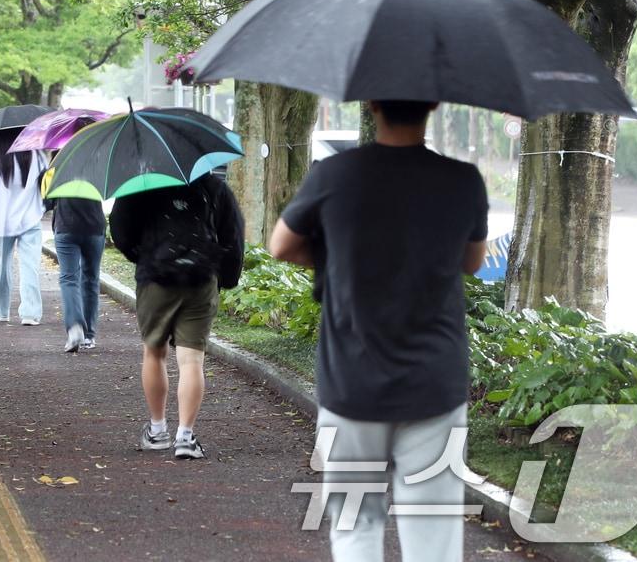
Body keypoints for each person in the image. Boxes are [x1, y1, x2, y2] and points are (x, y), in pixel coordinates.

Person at [268, 100, 487, 562]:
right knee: (433, 533)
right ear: (433, 104)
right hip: (435, 382)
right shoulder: (463, 180)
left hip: (352, 379)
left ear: (370, 104)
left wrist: (336, 260)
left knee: (355, 526)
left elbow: (280, 245)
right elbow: (471, 262)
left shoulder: (334, 174)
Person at [110, 170, 243, 460]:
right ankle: (185, 436)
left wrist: (142, 255)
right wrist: (227, 277)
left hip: (156, 276)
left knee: (154, 352)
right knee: (192, 359)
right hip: (200, 276)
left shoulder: (139, 184)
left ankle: (157, 430)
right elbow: (232, 235)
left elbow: (119, 230)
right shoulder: (214, 187)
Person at [0, 134, 46, 325]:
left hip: (3, 220)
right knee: (30, 266)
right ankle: (30, 313)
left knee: (4, 264)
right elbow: (46, 183)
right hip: (30, 218)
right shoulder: (37, 155)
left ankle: (1, 310)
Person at [46, 190, 105, 352]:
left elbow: (47, 200)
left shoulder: (60, 166)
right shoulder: (97, 166)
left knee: (69, 278)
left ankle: (75, 326)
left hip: (66, 226)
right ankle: (88, 335)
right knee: (91, 279)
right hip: (95, 226)